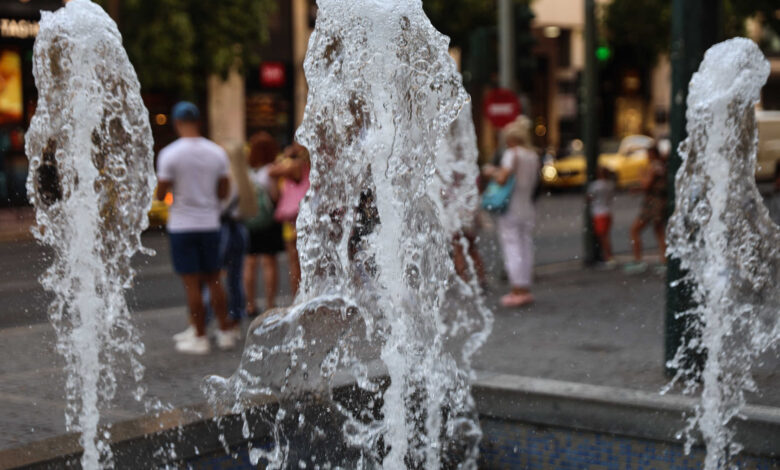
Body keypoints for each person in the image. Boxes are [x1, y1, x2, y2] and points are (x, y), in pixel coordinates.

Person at [156, 101, 236, 354]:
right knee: (214, 279)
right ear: (199, 122)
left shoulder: (170, 154)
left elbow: (161, 194)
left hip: (182, 225)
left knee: (191, 283)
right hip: (210, 223)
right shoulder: (216, 153)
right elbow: (223, 192)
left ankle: (200, 336)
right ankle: (225, 332)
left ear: (177, 123)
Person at [483, 116, 539, 307]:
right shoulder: (533, 155)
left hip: (512, 207)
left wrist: (491, 171)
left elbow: (502, 179)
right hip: (527, 206)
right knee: (525, 247)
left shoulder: (512, 153)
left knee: (512, 247)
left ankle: (517, 289)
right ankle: (525, 287)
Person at [243, 133, 285, 316]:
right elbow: (275, 196)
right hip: (268, 222)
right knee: (269, 262)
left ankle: (250, 304)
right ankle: (269, 303)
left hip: (250, 221)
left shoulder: (249, 172)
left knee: (250, 262)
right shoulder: (271, 170)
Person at [269, 142, 310, 297]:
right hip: (309, 217)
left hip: (293, 220)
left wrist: (285, 156)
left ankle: (298, 298)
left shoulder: (295, 165)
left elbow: (272, 171)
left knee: (295, 263)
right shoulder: (314, 163)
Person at [626, 145, 667, 273]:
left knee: (635, 230)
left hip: (652, 205)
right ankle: (664, 260)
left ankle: (638, 260)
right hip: (659, 202)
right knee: (659, 232)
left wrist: (641, 175)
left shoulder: (654, 167)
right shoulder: (661, 166)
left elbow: (646, 185)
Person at [587, 166, 616, 264]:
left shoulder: (596, 185)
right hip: (608, 212)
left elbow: (589, 197)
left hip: (599, 213)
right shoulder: (610, 184)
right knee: (606, 236)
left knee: (602, 237)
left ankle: (608, 257)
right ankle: (608, 256)